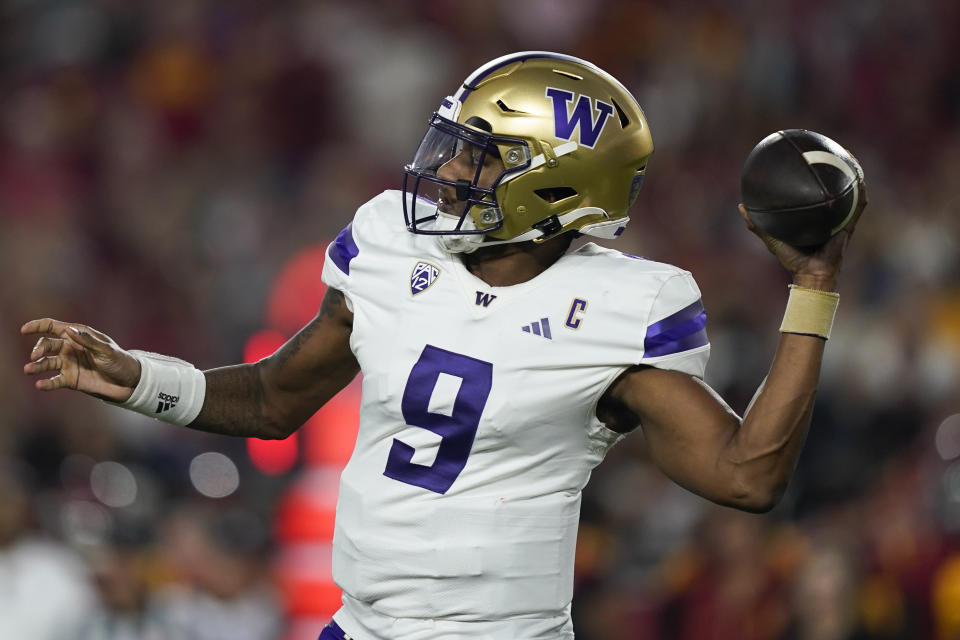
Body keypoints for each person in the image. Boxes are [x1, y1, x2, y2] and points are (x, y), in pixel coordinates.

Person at [21, 51, 866, 640]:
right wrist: (138, 379)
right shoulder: (392, 245)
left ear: (556, 185)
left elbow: (748, 474)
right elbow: (279, 398)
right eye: (454, 147)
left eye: (480, 159)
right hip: (357, 629)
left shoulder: (619, 307)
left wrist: (813, 284)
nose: (448, 172)